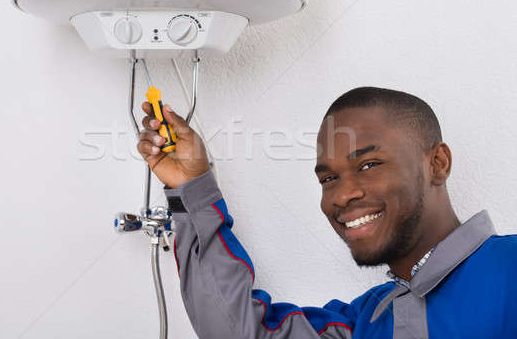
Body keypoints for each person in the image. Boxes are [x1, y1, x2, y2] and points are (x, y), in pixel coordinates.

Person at [136, 86, 517, 339]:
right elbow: (240, 331)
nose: (344, 194)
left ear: (437, 163)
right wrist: (193, 188)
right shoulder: (367, 320)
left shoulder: (509, 270)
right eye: (329, 178)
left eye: (369, 165)